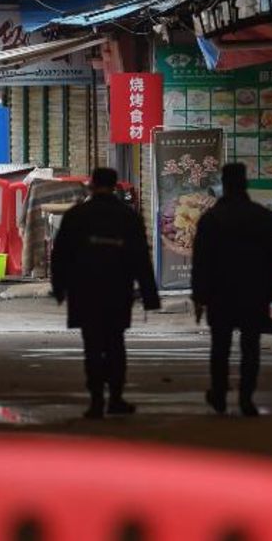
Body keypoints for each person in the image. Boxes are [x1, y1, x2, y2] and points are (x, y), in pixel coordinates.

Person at [52, 167, 160, 419]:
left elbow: (61, 256)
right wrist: (149, 295)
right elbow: (140, 258)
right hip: (117, 290)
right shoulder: (127, 217)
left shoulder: (76, 215)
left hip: (84, 291)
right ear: (115, 187)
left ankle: (96, 399)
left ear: (90, 185)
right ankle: (116, 397)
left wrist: (59, 288)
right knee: (115, 343)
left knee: (91, 344)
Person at [192, 163, 272, 417]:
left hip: (219, 294)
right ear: (245, 183)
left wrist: (200, 297)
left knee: (220, 347)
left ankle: (219, 395)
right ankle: (246, 398)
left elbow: (201, 261)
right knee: (250, 346)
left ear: (224, 184)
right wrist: (269, 291)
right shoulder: (262, 217)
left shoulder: (211, 219)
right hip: (253, 293)